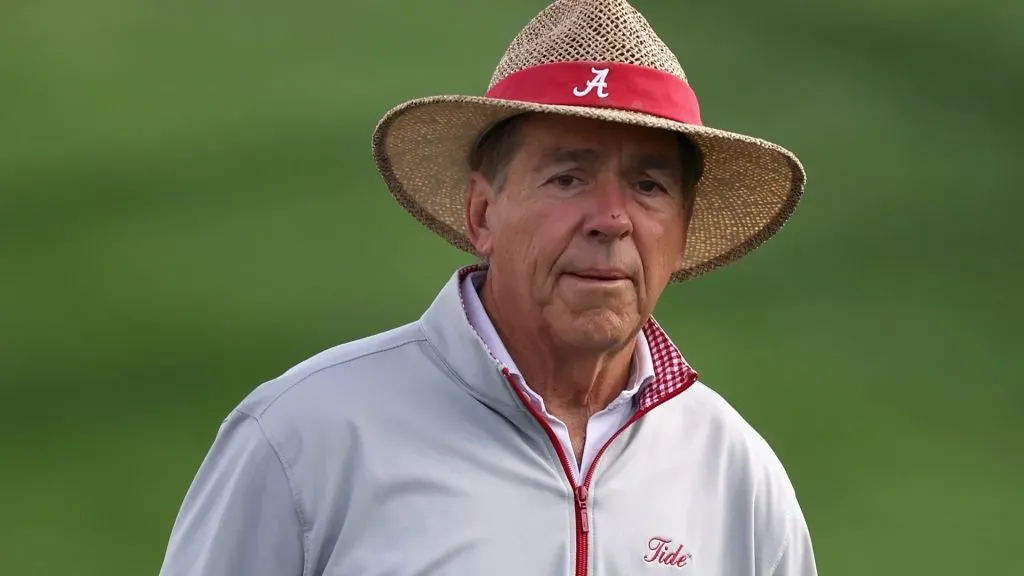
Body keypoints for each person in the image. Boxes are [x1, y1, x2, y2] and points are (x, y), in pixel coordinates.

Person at [158, 0, 816, 574]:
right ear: (481, 214)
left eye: (649, 186)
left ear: (682, 230)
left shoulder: (737, 476)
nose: (613, 219)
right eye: (568, 177)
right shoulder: (303, 438)